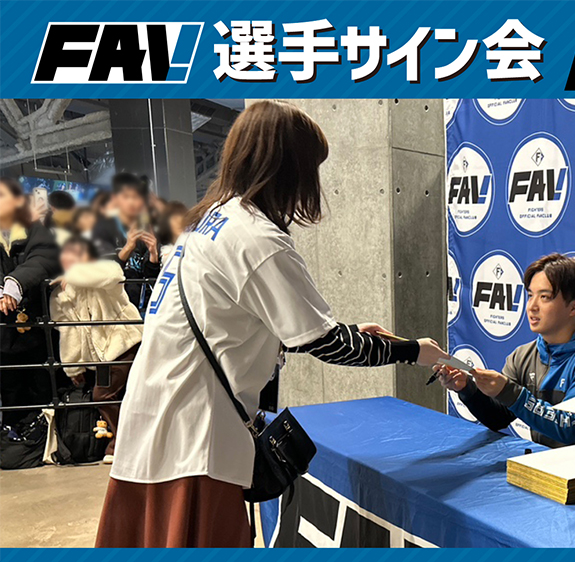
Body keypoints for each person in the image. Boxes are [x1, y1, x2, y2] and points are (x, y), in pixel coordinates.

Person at [96, 100, 449, 547]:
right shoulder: (259, 238)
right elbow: (327, 343)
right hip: (196, 438)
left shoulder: (206, 223)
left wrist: (348, 332)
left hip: (153, 421)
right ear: (289, 168)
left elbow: (257, 324)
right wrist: (414, 350)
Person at [436, 253, 575, 455]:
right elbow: (498, 417)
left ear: (574, 307)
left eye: (544, 297)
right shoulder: (524, 355)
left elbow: (568, 427)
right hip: (544, 465)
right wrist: (466, 388)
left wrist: (509, 391)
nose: (532, 306)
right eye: (530, 295)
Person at [49, 236, 142, 464]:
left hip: (125, 342)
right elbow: (69, 332)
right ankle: (125, 442)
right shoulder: (59, 295)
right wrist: (73, 367)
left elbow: (114, 273)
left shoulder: (101, 273)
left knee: (103, 395)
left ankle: (122, 443)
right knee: (107, 395)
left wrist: (74, 276)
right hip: (102, 357)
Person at [0, 178, 61, 426]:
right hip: (4, 334)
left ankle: (44, 436)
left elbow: (44, 257)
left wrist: (15, 282)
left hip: (38, 328)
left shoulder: (34, 229)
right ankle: (12, 436)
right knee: (9, 390)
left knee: (44, 386)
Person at [91, 173, 159, 311]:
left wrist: (153, 256)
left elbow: (153, 282)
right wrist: (127, 248)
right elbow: (103, 275)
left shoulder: (152, 231)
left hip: (144, 310)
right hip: (114, 309)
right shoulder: (105, 229)